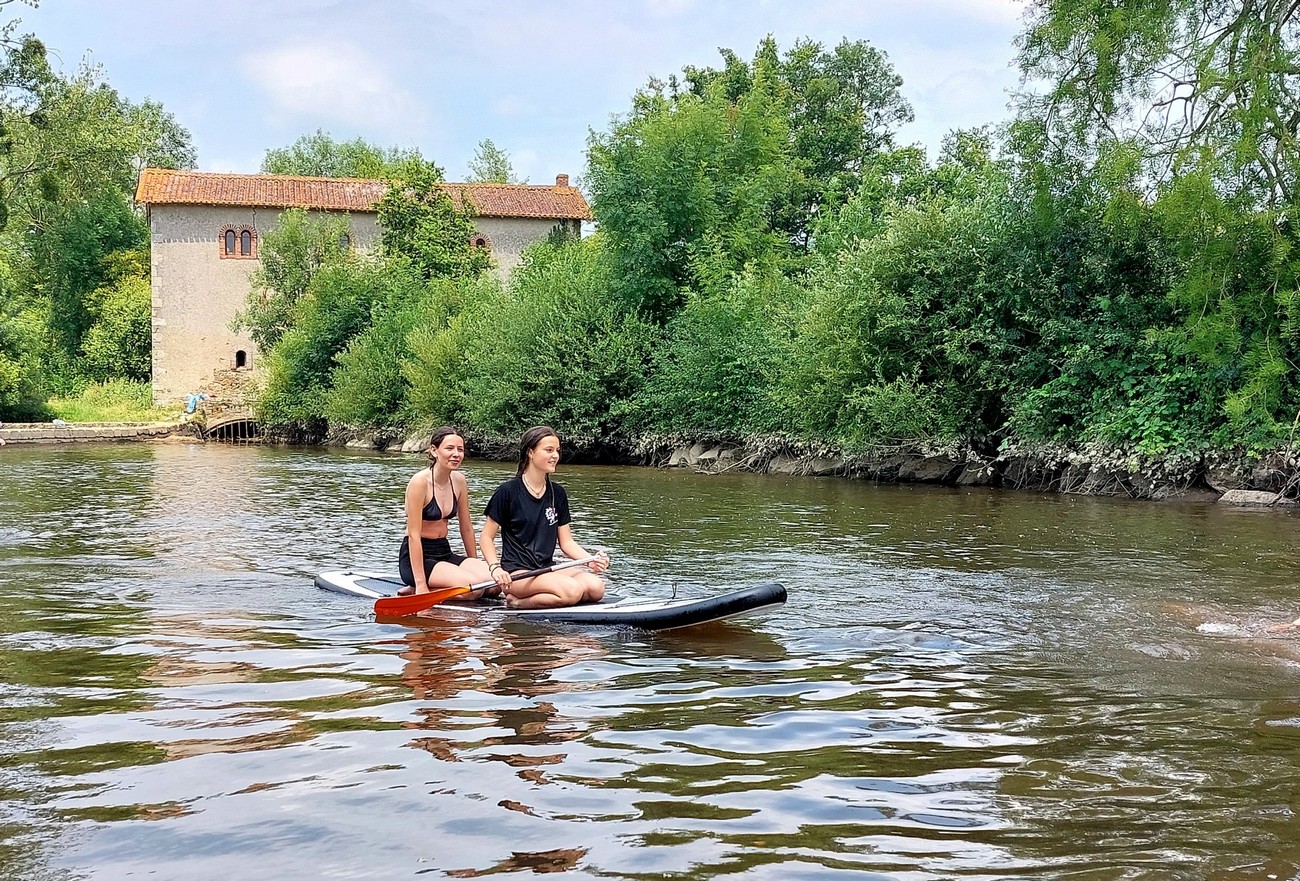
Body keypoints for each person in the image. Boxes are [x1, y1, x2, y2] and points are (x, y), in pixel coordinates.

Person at [480, 426, 609, 609]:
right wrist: (496, 568)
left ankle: (549, 594)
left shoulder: (558, 493)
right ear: (530, 452)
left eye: (557, 450)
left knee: (596, 588)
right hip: (518, 573)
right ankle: (517, 602)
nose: (555, 456)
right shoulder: (507, 492)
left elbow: (567, 543)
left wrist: (590, 560)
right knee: (572, 591)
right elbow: (486, 537)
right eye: (548, 450)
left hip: (546, 568)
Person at [398, 426, 492, 597]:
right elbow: (413, 536)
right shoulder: (419, 482)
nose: (456, 454)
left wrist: (473, 563)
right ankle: (416, 589)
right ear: (434, 450)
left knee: (493, 584)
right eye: (450, 448)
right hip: (418, 557)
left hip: (444, 551)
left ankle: (470, 585)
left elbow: (467, 528)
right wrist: (420, 585)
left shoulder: (459, 481)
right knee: (473, 592)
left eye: (460, 449)